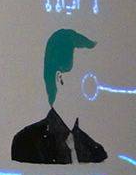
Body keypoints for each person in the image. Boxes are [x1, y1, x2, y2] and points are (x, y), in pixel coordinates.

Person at [11, 29, 106, 164]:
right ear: (60, 78)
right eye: (86, 76)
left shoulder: (95, 152)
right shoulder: (27, 143)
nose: (94, 85)